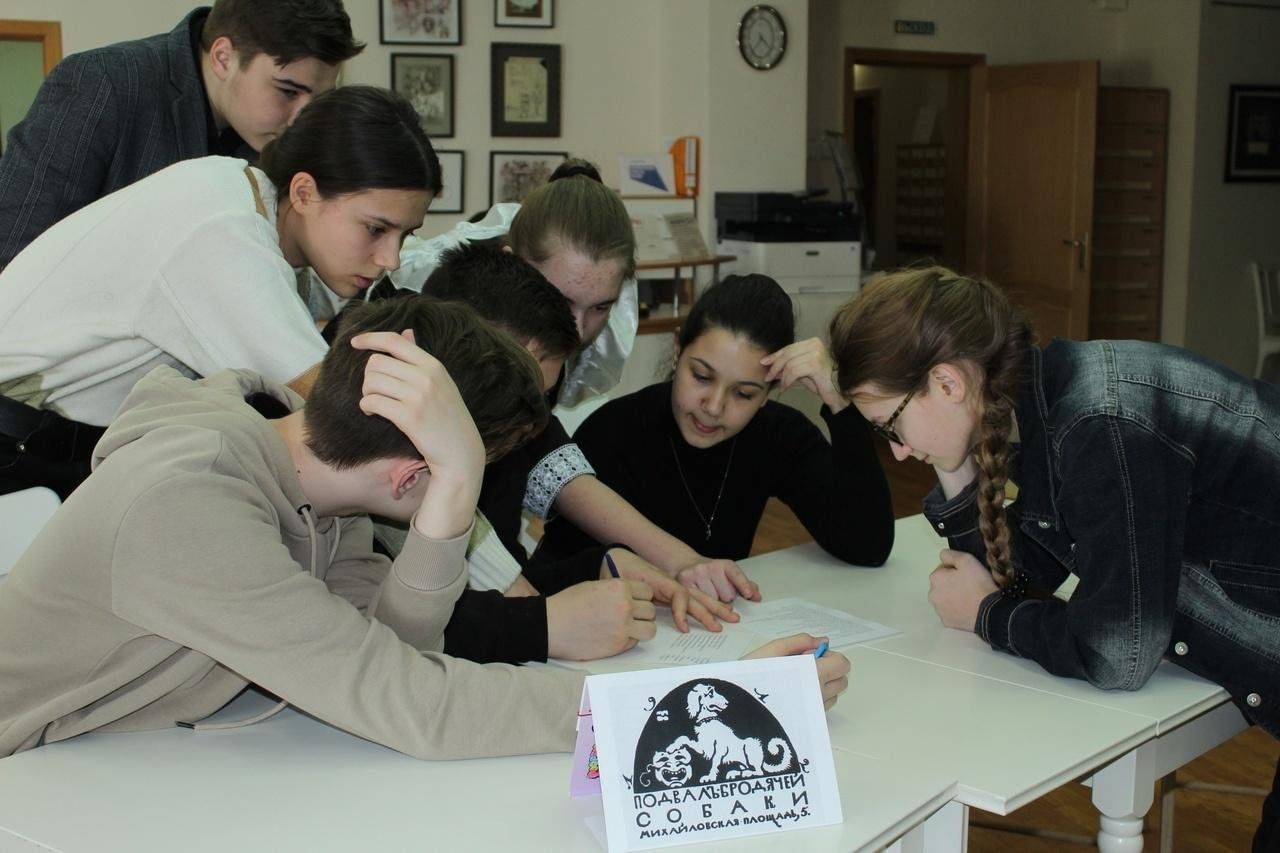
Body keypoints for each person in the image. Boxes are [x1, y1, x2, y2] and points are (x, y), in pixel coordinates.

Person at [0, 296, 852, 759]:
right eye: (463, 485)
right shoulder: (189, 507)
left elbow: (398, 652)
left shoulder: (320, 486)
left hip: (113, 764)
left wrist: (440, 514)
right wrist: (699, 702)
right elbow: (418, 706)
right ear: (413, 473)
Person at [826, 265, 1280, 852]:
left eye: (890, 425)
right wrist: (953, 468)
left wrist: (988, 615)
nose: (898, 450)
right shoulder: (1044, 406)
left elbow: (1118, 652)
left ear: (947, 382)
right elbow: (1026, 570)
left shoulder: (1099, 423)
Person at [0, 85, 435, 498]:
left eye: (405, 234)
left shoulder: (236, 189)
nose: (391, 259)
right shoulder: (223, 232)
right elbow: (338, 410)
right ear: (304, 192)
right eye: (375, 229)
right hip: (19, 449)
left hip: (61, 441)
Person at [360, 243, 732, 664]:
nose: (526, 422)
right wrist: (541, 622)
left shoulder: (499, 431)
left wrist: (601, 564)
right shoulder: (388, 465)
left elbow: (509, 583)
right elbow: (403, 629)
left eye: (600, 307)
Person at [534, 274, 895, 583]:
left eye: (744, 393)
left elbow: (867, 546)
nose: (714, 406)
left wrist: (840, 404)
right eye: (702, 376)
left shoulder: (779, 435)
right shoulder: (612, 432)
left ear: (768, 392)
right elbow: (550, 575)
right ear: (678, 351)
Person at [0, 0, 363, 271]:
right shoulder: (102, 83)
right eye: (287, 91)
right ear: (224, 58)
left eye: (319, 98)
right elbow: (14, 249)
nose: (301, 119)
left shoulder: (272, 133)